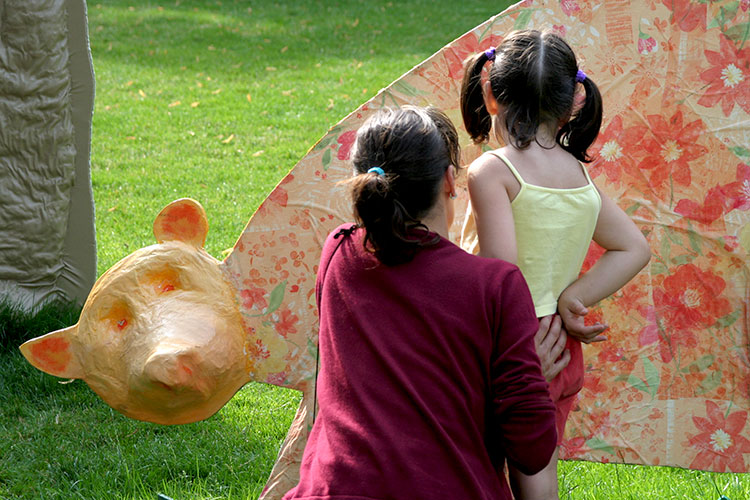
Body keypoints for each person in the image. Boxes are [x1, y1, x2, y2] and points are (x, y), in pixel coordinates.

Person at [283, 106, 557, 500]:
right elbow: (532, 451)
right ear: (449, 179)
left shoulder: (338, 252)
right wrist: (531, 383)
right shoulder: (496, 287)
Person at [460, 30, 651, 499]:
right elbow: (634, 248)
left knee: (476, 462)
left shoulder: (492, 171)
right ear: (571, 107)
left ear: (490, 94)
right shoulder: (579, 176)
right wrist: (573, 297)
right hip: (559, 347)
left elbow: (499, 275)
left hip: (506, 340)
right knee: (537, 467)